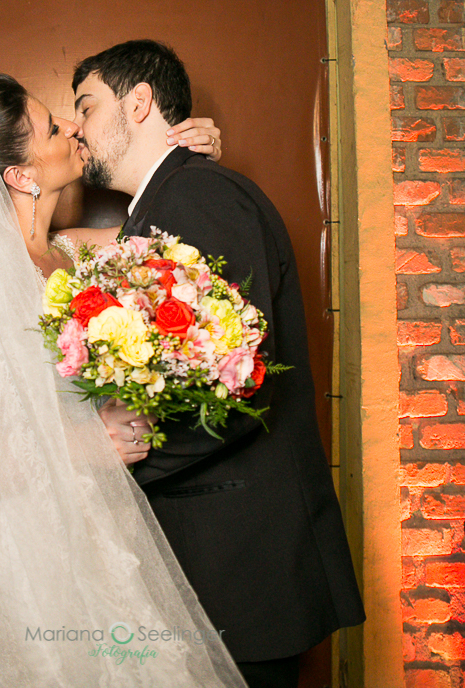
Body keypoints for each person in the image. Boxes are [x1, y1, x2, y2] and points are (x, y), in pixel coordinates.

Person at [0, 73, 249, 688]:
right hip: (26, 550)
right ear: (22, 175)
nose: (73, 130)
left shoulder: (70, 254)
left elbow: (167, 232)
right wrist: (93, 443)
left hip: (98, 529)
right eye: (55, 128)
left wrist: (190, 160)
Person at [71, 40, 366, 688]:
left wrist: (113, 475)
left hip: (239, 559)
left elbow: (237, 385)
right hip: (216, 559)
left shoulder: (197, 198)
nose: (77, 128)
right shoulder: (161, 207)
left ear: (138, 103)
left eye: (86, 107)